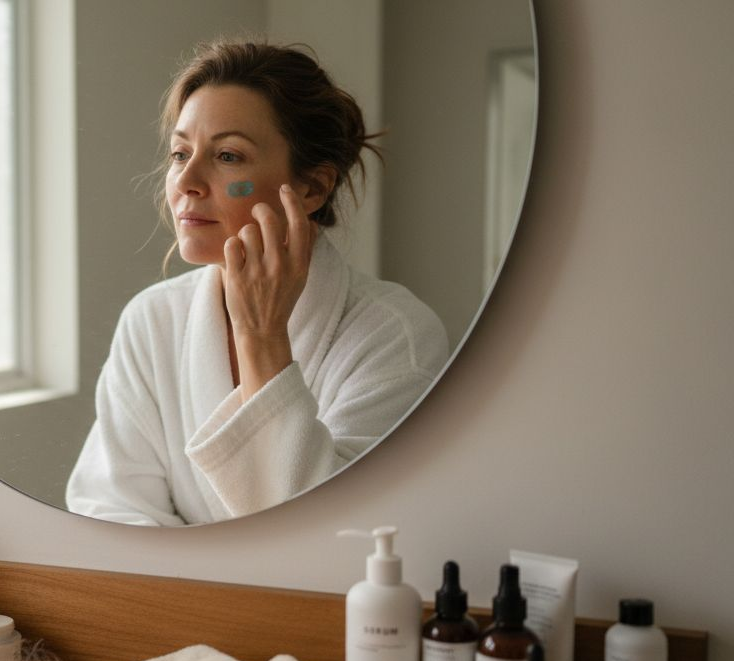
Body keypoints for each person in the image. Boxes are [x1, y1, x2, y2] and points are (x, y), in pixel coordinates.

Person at [66, 40, 450, 526]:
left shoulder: (395, 336)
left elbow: (328, 530)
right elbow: (110, 509)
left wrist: (262, 337)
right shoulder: (152, 320)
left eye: (227, 155)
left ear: (312, 187)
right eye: (180, 152)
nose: (187, 181)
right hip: (173, 599)